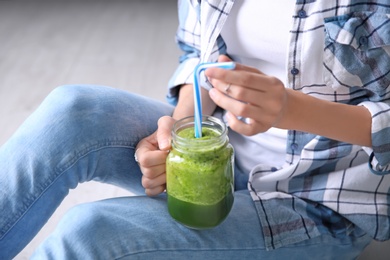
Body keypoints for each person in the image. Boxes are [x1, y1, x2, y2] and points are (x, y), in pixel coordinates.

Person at [1, 0, 389, 259]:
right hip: (218, 154)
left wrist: (291, 109)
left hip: (319, 202)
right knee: (73, 111)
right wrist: (176, 127)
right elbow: (199, 57)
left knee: (88, 232)